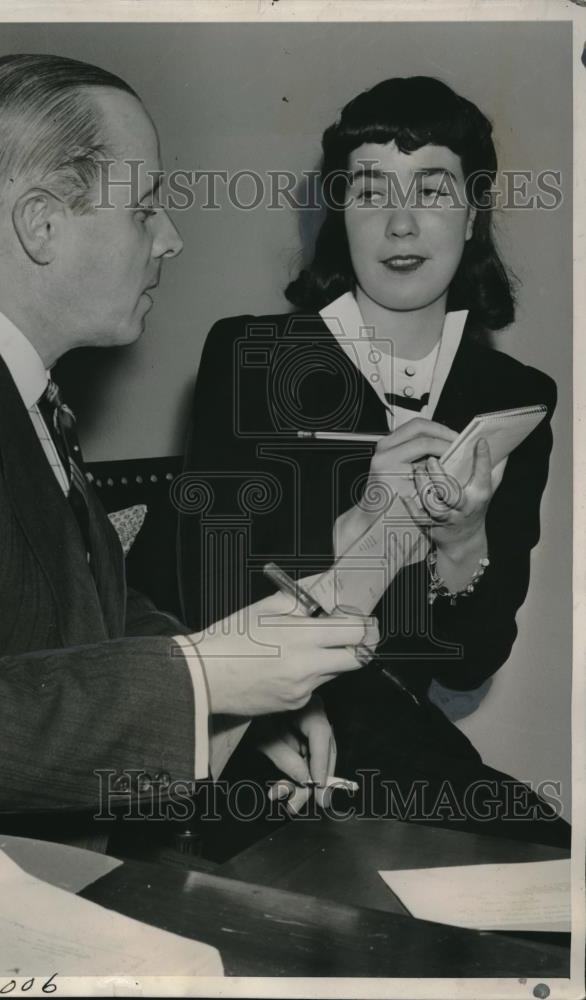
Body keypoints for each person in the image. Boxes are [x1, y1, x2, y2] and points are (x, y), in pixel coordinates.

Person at [0, 54, 376, 842]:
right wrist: (198, 679)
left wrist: (229, 700)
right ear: (42, 224)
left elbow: (91, 613)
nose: (172, 238)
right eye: (145, 207)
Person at [180, 76, 569, 845]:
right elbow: (204, 592)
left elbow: (466, 665)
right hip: (254, 737)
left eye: (431, 188)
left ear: (472, 211)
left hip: (400, 748)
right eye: (369, 191)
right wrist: (355, 525)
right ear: (340, 213)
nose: (399, 223)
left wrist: (463, 542)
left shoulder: (513, 396)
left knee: (551, 872)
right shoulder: (252, 356)